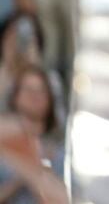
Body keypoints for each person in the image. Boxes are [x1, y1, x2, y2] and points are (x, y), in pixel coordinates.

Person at [0, 66, 66, 204]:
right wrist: (24, 174)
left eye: (41, 91)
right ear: (15, 96)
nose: (35, 96)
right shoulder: (5, 141)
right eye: (28, 89)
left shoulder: (59, 153)